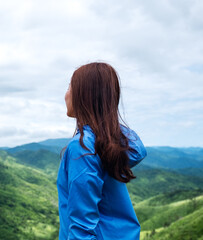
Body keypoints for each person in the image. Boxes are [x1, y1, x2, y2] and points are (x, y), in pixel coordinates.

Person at [57, 62, 147, 240]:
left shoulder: (82, 148)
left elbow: (82, 227)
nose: (66, 94)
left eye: (69, 87)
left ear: (84, 95)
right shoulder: (107, 143)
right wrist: (104, 112)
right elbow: (137, 148)